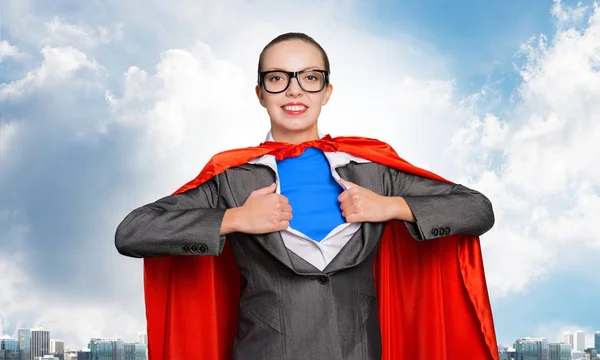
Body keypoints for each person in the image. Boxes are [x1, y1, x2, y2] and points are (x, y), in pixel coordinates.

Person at [115, 32, 497, 360]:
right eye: (278, 78)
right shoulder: (231, 177)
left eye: (310, 77)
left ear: (326, 91)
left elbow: (476, 209)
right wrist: (234, 219)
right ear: (260, 93)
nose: (295, 89)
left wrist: (391, 207)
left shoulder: (372, 168)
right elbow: (133, 232)